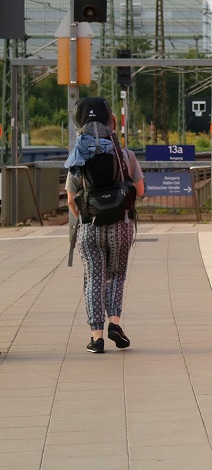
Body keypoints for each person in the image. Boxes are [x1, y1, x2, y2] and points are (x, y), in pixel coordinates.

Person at [64, 97, 144, 354]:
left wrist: (85, 216)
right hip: (120, 225)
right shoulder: (125, 155)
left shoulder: (77, 158)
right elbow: (140, 190)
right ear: (111, 121)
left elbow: (70, 200)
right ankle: (115, 324)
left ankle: (96, 338)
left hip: (90, 227)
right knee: (117, 275)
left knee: (94, 278)